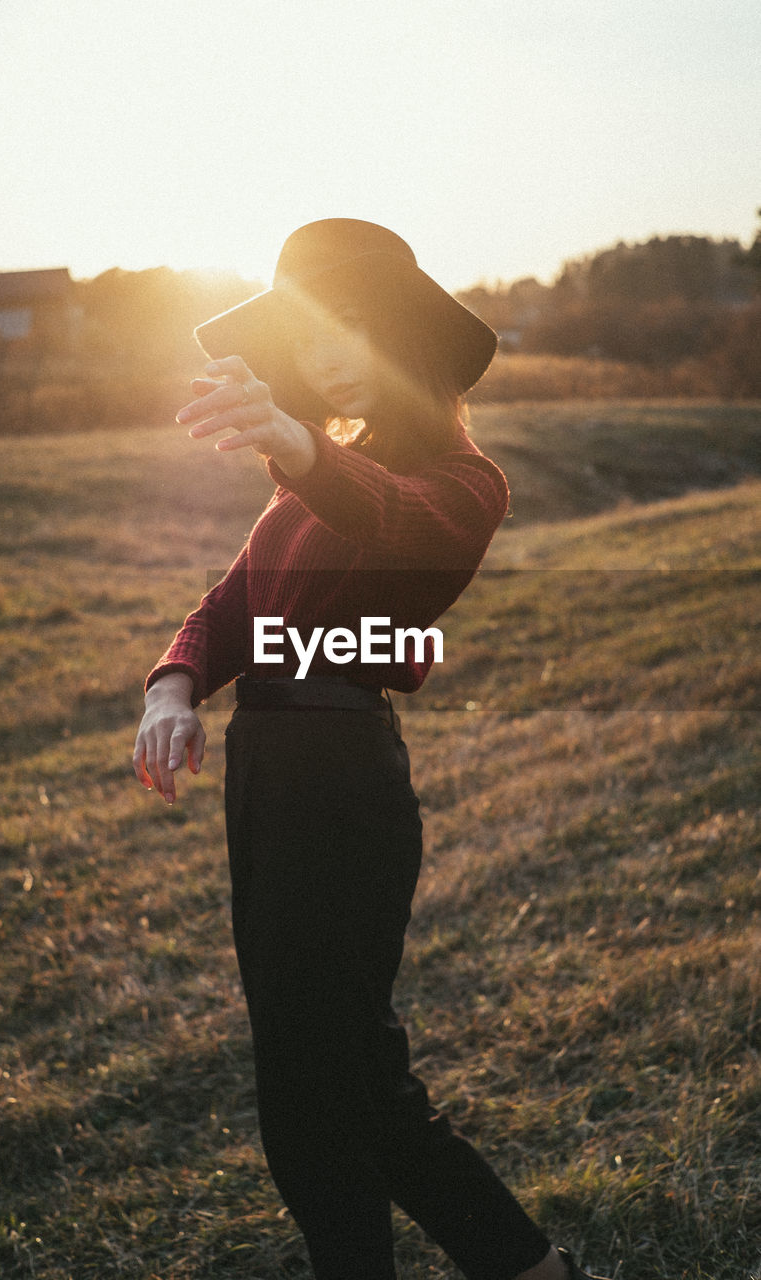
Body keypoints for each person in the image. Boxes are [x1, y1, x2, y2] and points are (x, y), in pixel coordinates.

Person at [133, 220, 610, 1280]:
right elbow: (230, 604)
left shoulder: (462, 479)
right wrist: (171, 683)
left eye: (349, 323)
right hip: (264, 777)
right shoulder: (308, 479)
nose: (326, 351)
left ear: (402, 334)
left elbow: (393, 522)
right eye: (306, 333)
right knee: (298, 1090)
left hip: (342, 783)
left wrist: (299, 450)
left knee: (348, 1082)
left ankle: (531, 1269)